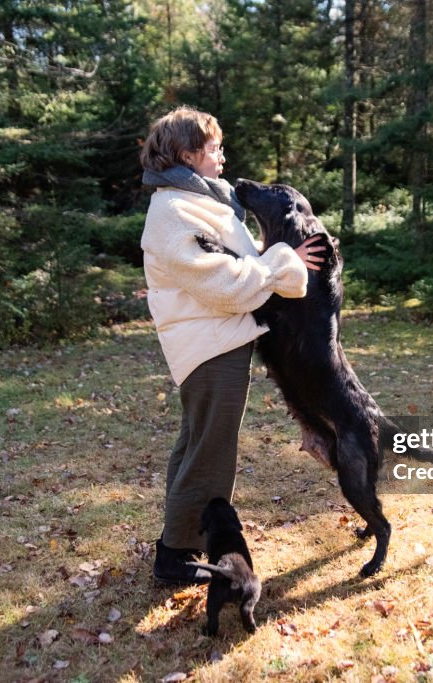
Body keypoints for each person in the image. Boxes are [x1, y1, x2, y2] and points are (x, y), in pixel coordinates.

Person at [139, 106, 326, 584]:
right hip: (209, 347)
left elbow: (237, 265)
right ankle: (178, 557)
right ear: (187, 155)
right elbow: (227, 284)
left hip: (216, 340)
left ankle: (174, 544)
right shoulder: (173, 213)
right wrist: (286, 259)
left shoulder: (200, 202)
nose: (221, 157)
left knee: (195, 445)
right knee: (210, 451)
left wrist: (277, 261)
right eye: (213, 149)